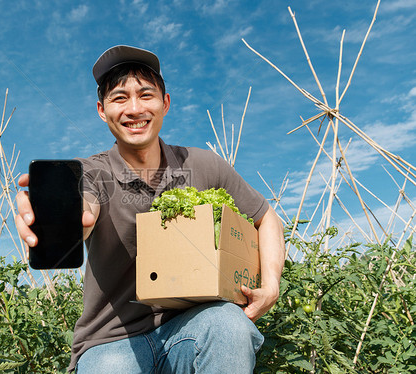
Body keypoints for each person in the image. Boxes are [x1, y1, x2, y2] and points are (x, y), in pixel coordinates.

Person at [15, 45, 285, 373]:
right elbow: (85, 206)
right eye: (119, 98)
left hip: (190, 328)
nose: (134, 108)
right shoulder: (91, 174)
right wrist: (67, 219)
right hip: (111, 342)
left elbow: (266, 217)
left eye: (145, 95)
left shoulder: (203, 165)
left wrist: (271, 284)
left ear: (165, 103)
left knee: (228, 325)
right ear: (102, 110)